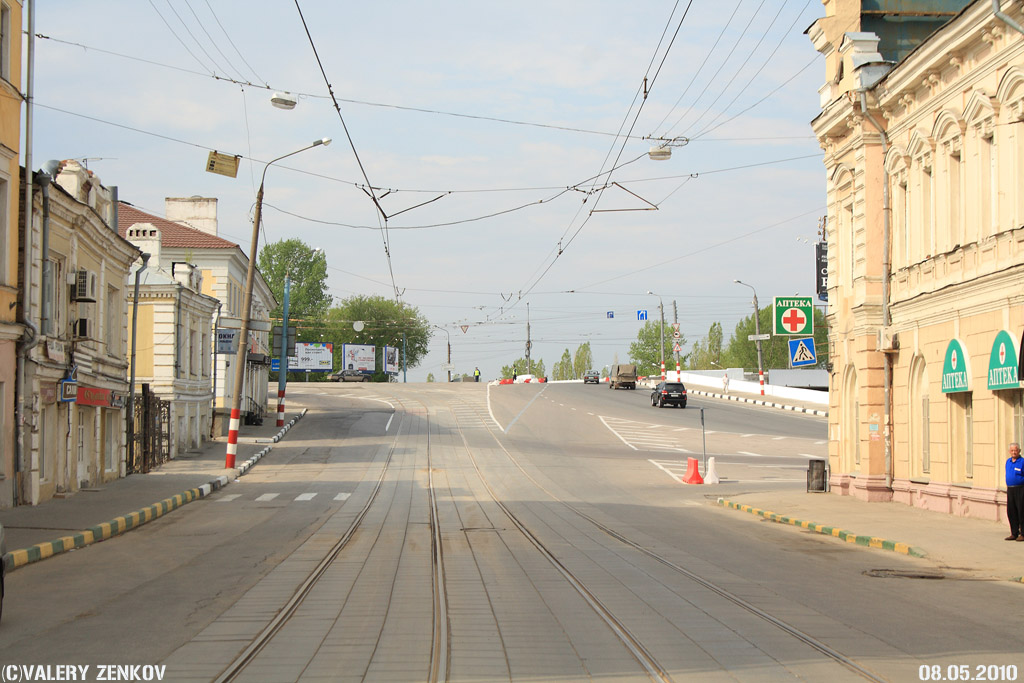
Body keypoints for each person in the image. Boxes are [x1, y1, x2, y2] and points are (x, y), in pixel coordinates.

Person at [1005, 442, 1024, 540]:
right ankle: (1014, 533)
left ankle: (1023, 534)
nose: (1013, 452)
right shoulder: (1008, 461)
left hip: (1020, 489)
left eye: (1015, 450)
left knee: (1021, 511)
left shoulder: (1022, 462)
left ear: (1019, 451)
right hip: (1010, 489)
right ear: (1009, 451)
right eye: (1012, 450)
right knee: (1011, 511)